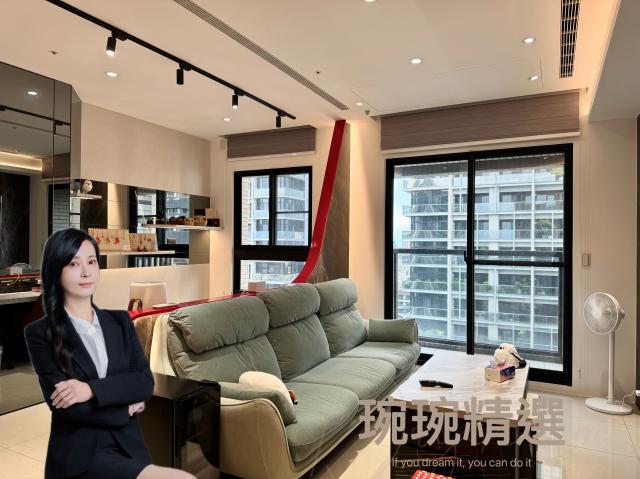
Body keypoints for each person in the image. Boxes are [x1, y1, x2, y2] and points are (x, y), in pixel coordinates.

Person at [24, 228, 195, 479]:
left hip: (128, 445)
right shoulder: (40, 333)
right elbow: (67, 408)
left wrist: (90, 390)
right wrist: (125, 409)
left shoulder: (120, 322)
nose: (86, 272)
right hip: (80, 456)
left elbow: (143, 383)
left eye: (92, 262)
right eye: (74, 264)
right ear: (55, 270)